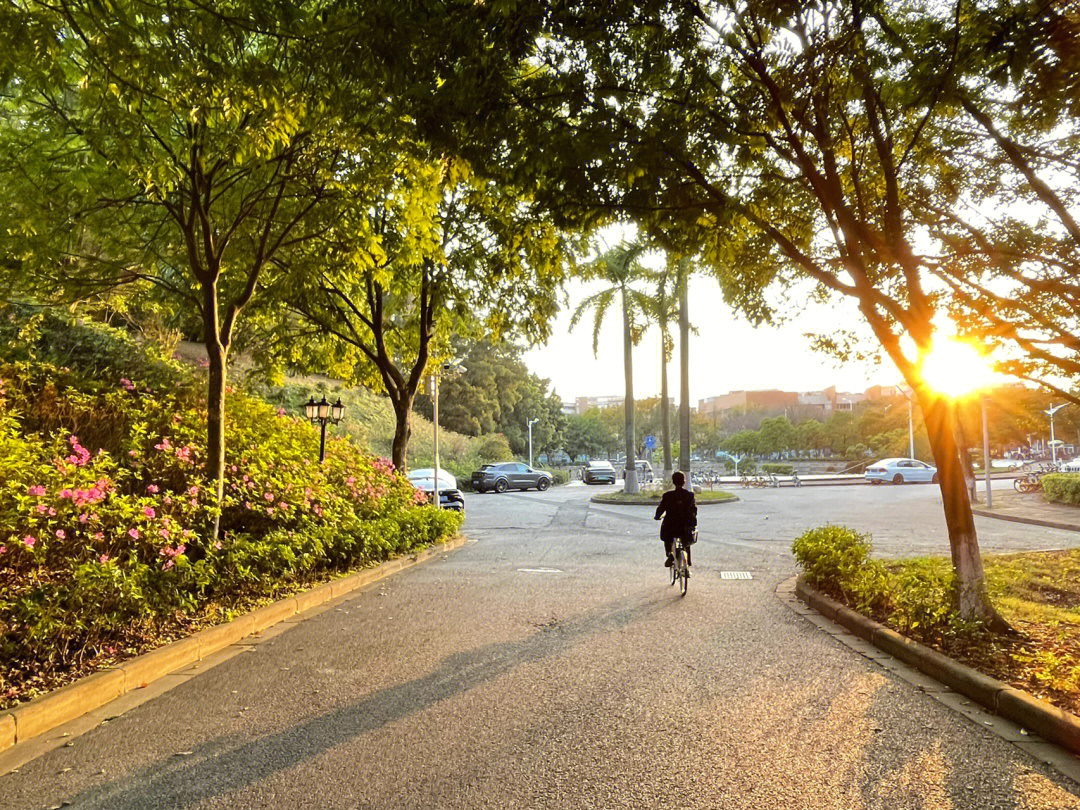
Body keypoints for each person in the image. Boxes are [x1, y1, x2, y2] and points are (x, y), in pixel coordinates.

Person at [654, 471, 697, 568]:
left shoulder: (667, 496)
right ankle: (688, 560)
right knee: (686, 539)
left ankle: (670, 554)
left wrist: (657, 516)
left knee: (666, 538)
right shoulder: (689, 495)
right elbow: (694, 510)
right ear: (684, 482)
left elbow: (661, 508)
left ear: (673, 482)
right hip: (685, 525)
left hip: (671, 525)